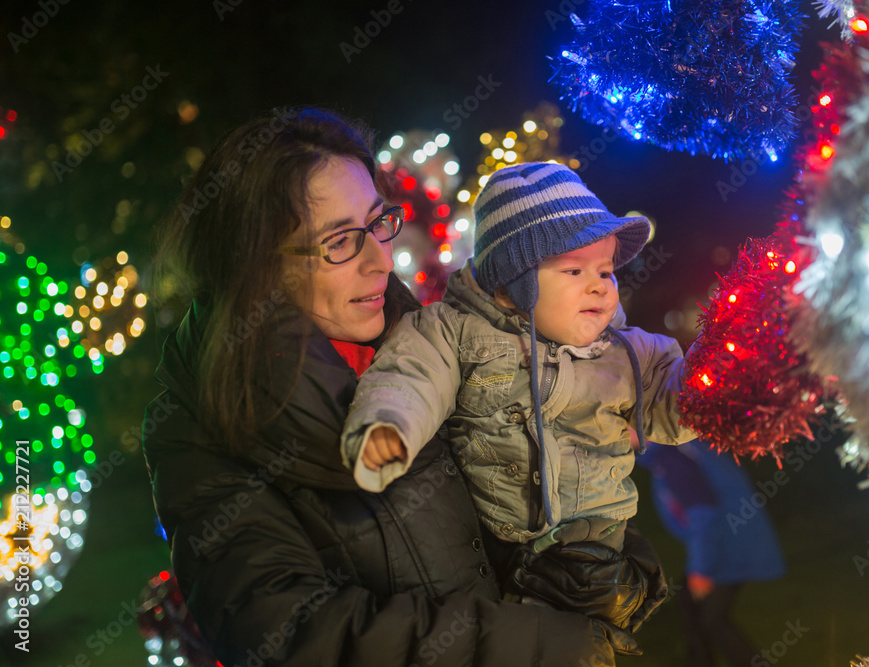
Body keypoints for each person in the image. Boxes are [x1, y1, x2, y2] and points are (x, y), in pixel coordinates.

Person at [142, 107, 650, 666]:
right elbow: (291, 636)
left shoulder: (434, 347)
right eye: (340, 241)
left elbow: (517, 484)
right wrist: (536, 643)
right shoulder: (198, 426)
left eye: (378, 223)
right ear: (256, 264)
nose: (382, 261)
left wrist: (602, 563)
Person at [340, 161, 694, 635]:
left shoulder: (628, 352)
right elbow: (411, 375)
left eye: (606, 271)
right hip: (499, 549)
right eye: (574, 270)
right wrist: (389, 425)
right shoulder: (454, 332)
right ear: (513, 284)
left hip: (598, 545)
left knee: (577, 645)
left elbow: (677, 409)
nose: (599, 285)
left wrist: (717, 379)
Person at [638, 439, 786, 667]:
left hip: (727, 547)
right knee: (691, 607)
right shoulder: (669, 452)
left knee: (712, 620)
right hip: (725, 543)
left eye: (627, 423)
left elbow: (703, 514)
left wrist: (700, 570)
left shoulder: (671, 457)